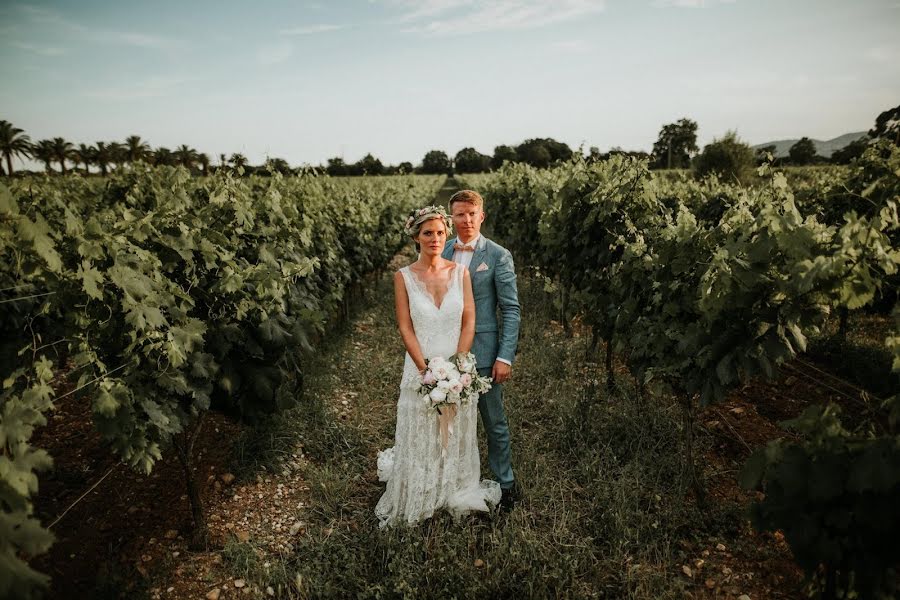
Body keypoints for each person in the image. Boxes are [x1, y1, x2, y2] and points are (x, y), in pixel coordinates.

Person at [375, 205, 501, 528]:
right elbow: (405, 328)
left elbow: (469, 319)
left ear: (447, 236)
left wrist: (459, 365)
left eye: (440, 233)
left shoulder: (461, 273)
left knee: (454, 432)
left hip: (457, 365)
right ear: (416, 236)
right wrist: (425, 371)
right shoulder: (402, 278)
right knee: (423, 428)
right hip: (421, 365)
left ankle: (452, 487)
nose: (434, 238)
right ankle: (421, 491)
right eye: (427, 233)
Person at [443, 190, 520, 511]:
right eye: (460, 214)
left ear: (482, 216)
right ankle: (455, 481)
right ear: (452, 218)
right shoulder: (443, 248)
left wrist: (505, 356)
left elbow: (511, 309)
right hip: (446, 351)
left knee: (493, 421)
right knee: (450, 421)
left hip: (486, 353)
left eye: (472, 214)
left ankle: (506, 483)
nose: (466, 220)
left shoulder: (498, 255)